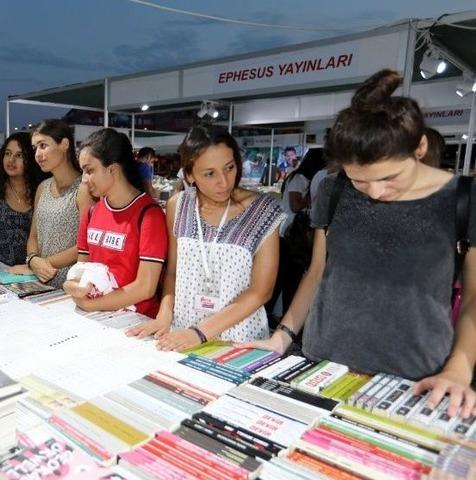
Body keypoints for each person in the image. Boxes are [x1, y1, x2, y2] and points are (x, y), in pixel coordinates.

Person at [243, 70, 476, 419]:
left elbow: (474, 296)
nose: (377, 192)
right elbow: (317, 272)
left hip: (415, 376)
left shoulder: (462, 199)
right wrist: (284, 336)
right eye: (361, 181)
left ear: (420, 147)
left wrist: (459, 369)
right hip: (322, 363)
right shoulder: (335, 191)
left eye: (389, 177)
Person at [127, 125, 284, 351]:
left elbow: (261, 291)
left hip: (238, 338)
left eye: (229, 168)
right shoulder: (178, 206)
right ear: (189, 175)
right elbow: (172, 272)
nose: (224, 181)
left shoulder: (264, 211)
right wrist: (164, 314)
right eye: (209, 173)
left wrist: (201, 332)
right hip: (182, 332)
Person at [63, 129, 167, 318]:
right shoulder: (92, 213)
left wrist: (91, 304)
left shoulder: (149, 214)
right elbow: (81, 269)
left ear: (112, 169)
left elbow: (146, 287)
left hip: (136, 321)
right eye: (83, 172)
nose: (84, 180)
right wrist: (71, 284)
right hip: (96, 316)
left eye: (90, 170)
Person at [20, 119, 95, 288]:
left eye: (43, 145)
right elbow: (33, 236)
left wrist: (42, 263)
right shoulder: (42, 187)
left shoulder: (84, 189)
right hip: (39, 283)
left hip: (70, 284)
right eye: (35, 148)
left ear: (64, 144)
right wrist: (33, 259)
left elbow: (87, 244)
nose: (37, 154)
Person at [266, 148, 327, 324]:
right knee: (289, 279)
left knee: (286, 278)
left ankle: (279, 317)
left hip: (289, 234)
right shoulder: (300, 179)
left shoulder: (298, 177)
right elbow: (295, 205)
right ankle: (283, 318)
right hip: (291, 234)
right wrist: (312, 198)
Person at [0, 133, 48, 268]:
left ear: (30, 158)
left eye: (19, 155)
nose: (11, 160)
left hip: (35, 267)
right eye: (7, 153)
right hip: (4, 268)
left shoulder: (41, 189)